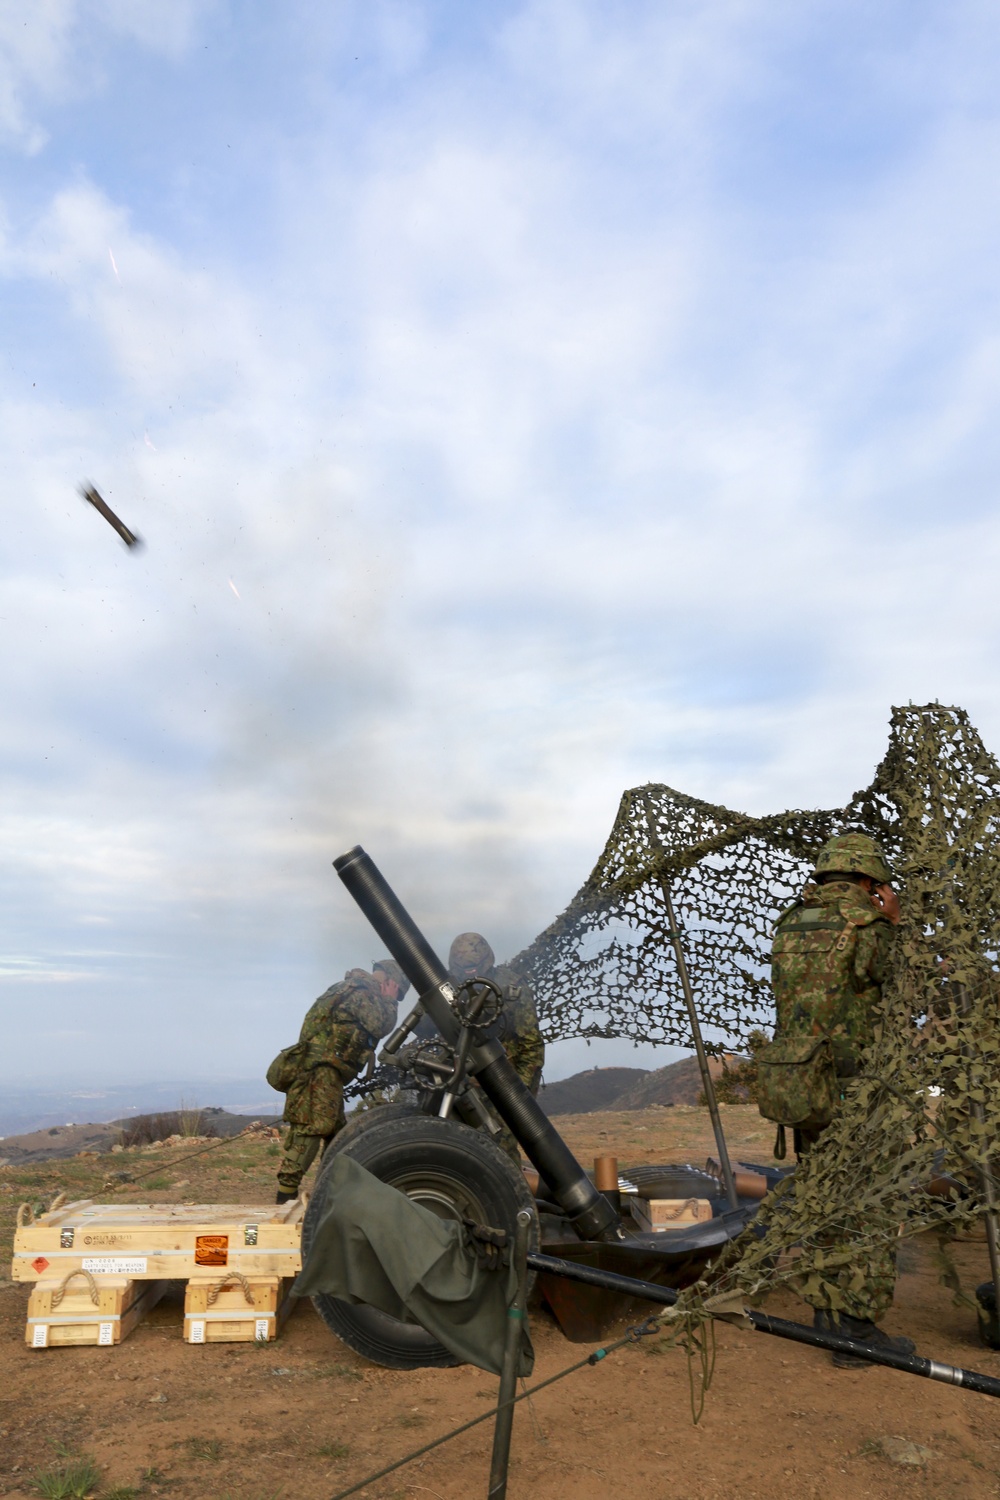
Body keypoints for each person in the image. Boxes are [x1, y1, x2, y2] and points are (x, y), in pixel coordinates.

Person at [769, 831, 914, 1368]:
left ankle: (828, 1316)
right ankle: (855, 1328)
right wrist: (896, 924)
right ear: (871, 880)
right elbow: (898, 982)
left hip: (805, 1087)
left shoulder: (791, 923)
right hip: (856, 1091)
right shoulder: (870, 925)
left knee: (823, 1199)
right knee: (869, 1203)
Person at [275, 959, 409, 1203]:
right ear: (390, 981)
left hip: (325, 1072)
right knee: (313, 1129)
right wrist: (390, 1000)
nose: (394, 996)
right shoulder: (361, 992)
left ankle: (331, 1195)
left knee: (337, 1137)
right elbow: (380, 1025)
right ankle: (284, 1199)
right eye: (397, 991)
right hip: (320, 1071)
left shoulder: (353, 988)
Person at [448, 932, 544, 1095]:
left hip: (505, 1081)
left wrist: (521, 1089)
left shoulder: (512, 989)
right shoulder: (451, 988)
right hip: (462, 1085)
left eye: (473, 968)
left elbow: (531, 1044)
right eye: (465, 969)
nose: (470, 974)